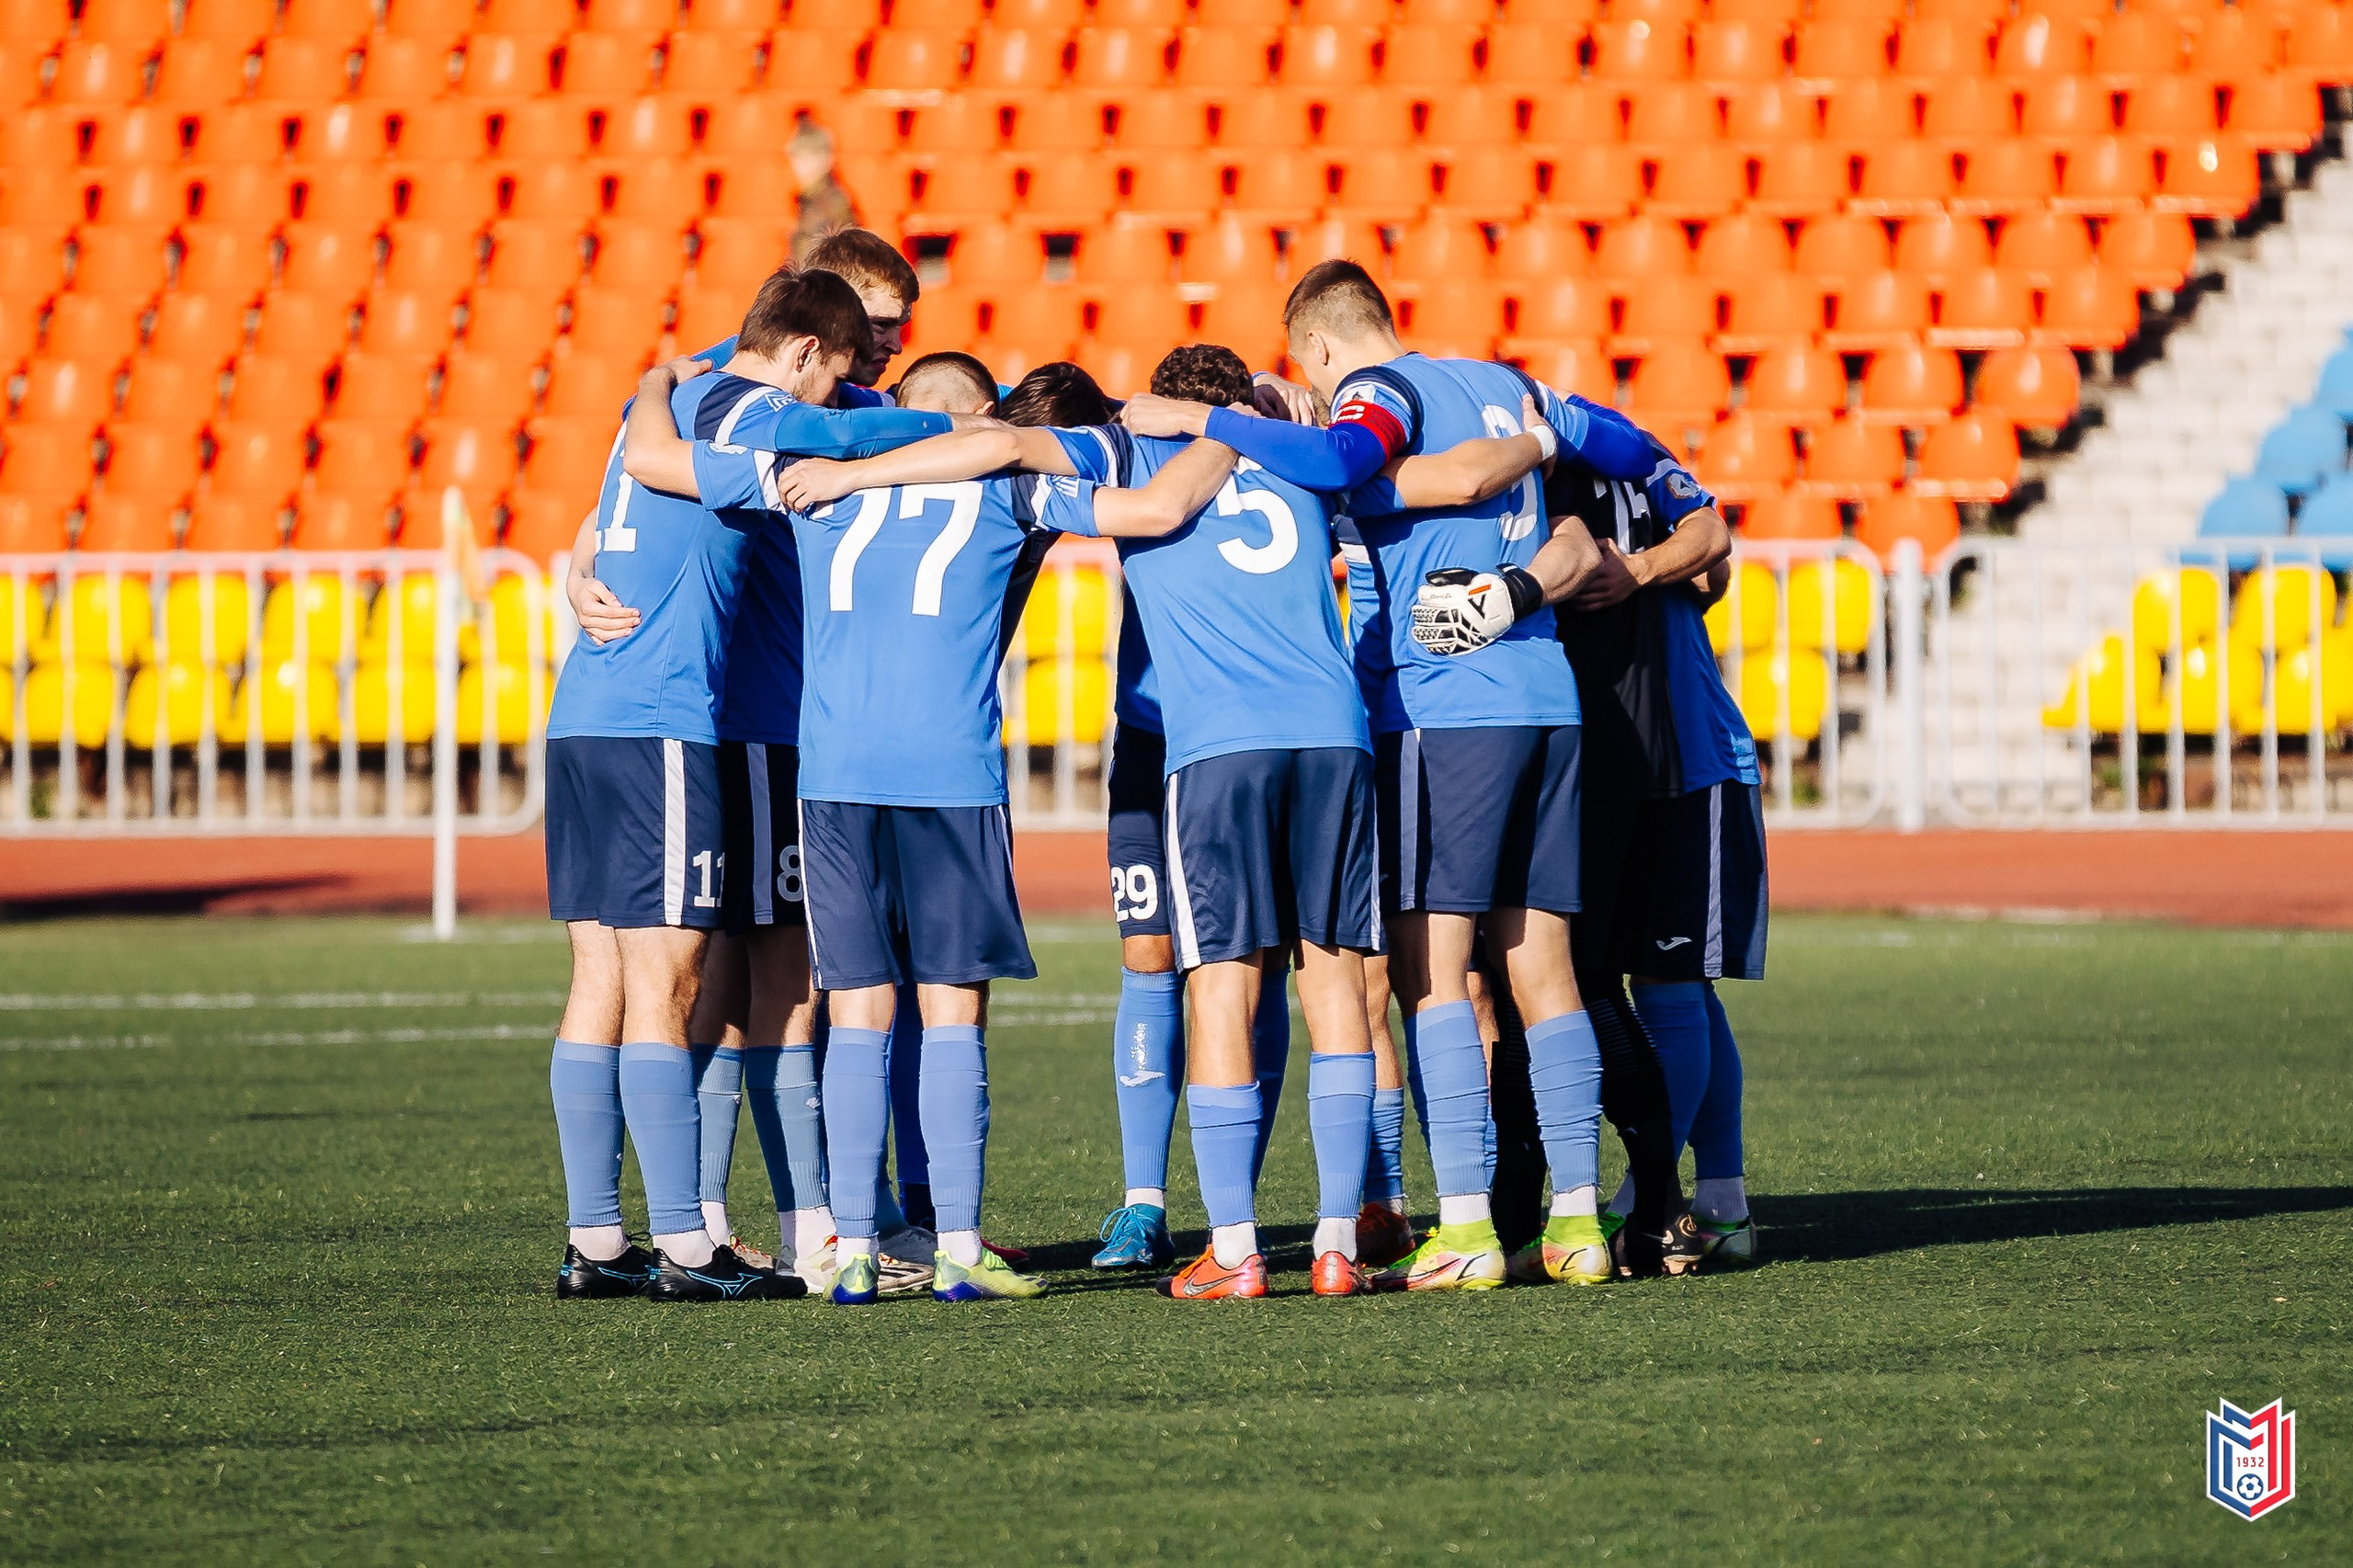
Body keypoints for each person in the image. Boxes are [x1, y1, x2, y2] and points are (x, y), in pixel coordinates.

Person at [620, 347, 1238, 1303]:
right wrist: (1233, 430)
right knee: (952, 1009)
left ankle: (856, 1249)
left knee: (859, 1010)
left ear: (898, 411)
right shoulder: (1008, 491)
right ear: (980, 415)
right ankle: (956, 1244)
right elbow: (1157, 509)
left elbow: (657, 463)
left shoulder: (816, 486)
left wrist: (653, 388)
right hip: (950, 777)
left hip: (831, 782)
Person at [1120, 261, 1654, 1290]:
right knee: (1543, 962)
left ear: (1317, 347)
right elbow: (1625, 455)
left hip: (1443, 705)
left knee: (1429, 969)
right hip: (1547, 692)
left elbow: (1342, 458)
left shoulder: (1384, 395)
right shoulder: (1504, 382)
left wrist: (1208, 418)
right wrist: (1539, 446)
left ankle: (1463, 1225)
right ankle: (1578, 1221)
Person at [542, 268, 951, 1303]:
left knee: (602, 977)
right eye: (848, 364)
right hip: (665, 722)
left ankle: (597, 1241)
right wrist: (947, 439)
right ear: (808, 352)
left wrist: (646, 387)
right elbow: (841, 447)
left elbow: (633, 461)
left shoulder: (676, 396)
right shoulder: (749, 419)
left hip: (584, 714)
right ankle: (689, 1241)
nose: (849, 389)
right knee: (672, 982)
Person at [1529, 440, 1763, 1274]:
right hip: (1658, 762)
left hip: (1689, 761)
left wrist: (1645, 568)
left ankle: (1652, 1196)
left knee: (1665, 984)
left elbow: (1712, 556)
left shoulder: (1577, 502)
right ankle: (1720, 1201)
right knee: (1675, 984)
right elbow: (1710, 567)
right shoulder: (1637, 496)